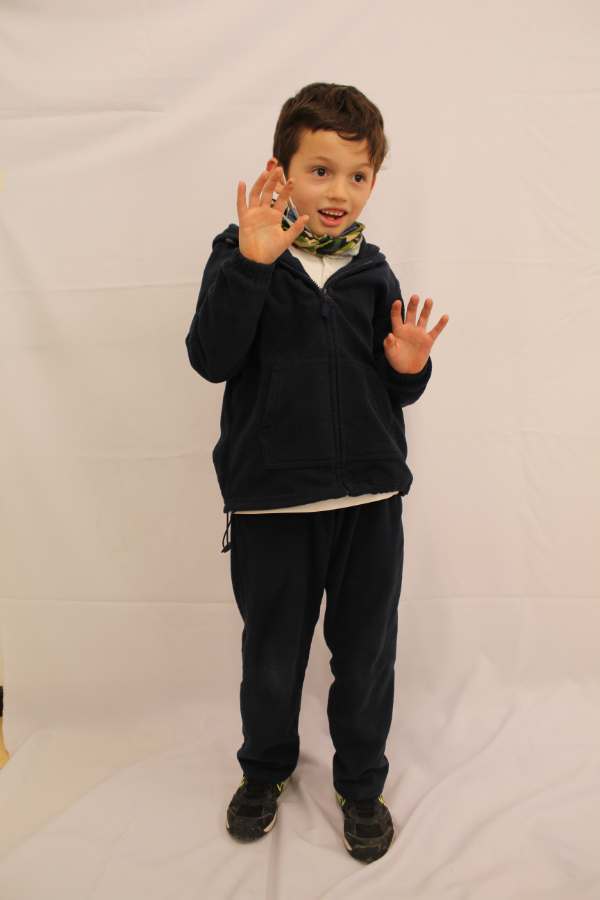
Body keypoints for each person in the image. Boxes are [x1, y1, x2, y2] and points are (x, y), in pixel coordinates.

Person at [185, 82, 449, 864]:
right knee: (272, 656)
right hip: (273, 505)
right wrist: (252, 265)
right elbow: (211, 358)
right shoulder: (243, 252)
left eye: (358, 176)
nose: (339, 192)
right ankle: (264, 771)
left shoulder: (373, 271)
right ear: (282, 170)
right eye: (321, 170)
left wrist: (408, 368)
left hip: (371, 501)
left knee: (365, 655)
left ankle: (361, 785)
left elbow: (387, 384)